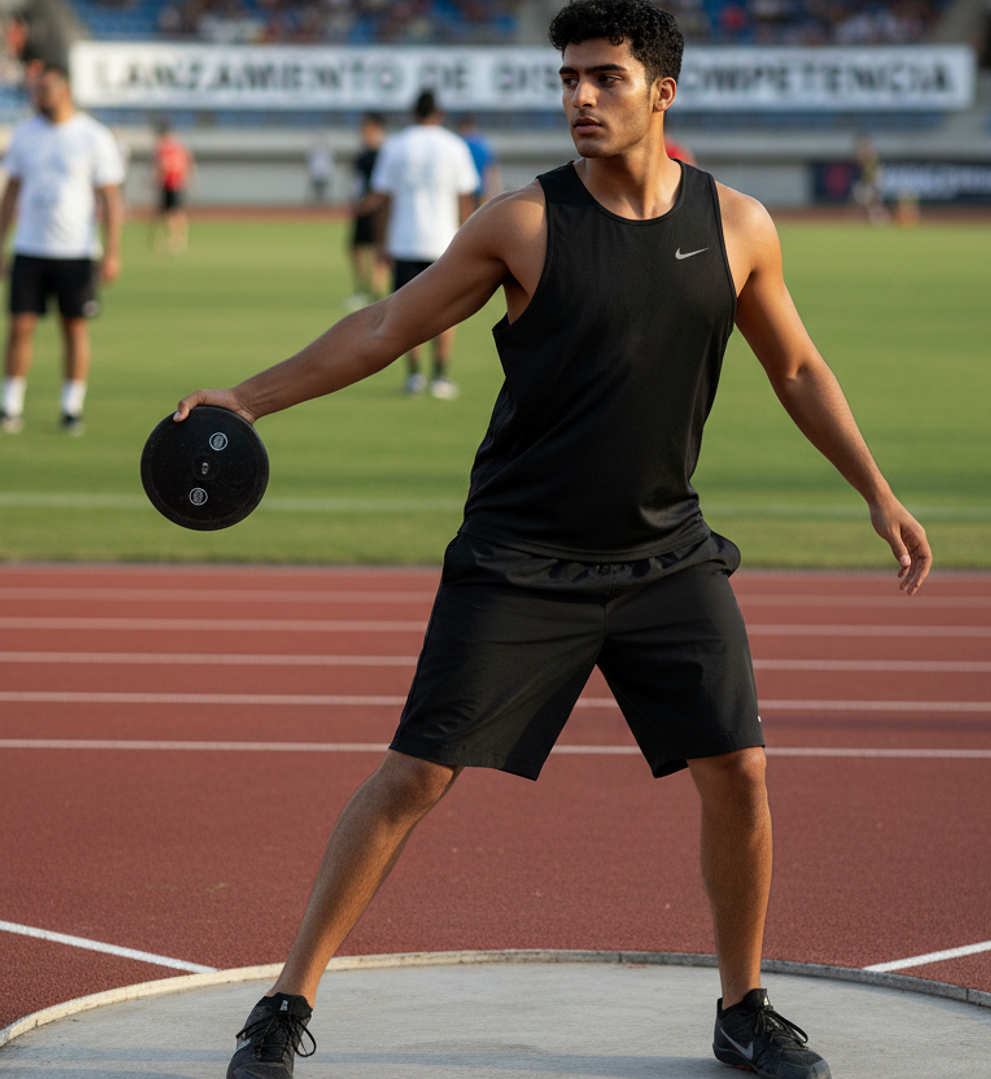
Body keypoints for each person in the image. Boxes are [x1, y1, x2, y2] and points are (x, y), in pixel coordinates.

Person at [174, 2, 932, 1077]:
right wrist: (244, 399)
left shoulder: (739, 225)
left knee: (741, 767)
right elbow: (389, 326)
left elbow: (797, 368)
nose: (578, 96)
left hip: (666, 552)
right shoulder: (520, 222)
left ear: (660, 91)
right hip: (519, 558)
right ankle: (283, 1005)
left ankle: (742, 1006)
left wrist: (875, 489)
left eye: (603, 78)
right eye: (567, 78)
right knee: (412, 776)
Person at [0, 61, 124, 435]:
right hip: (30, 247)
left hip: (76, 250)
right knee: (20, 326)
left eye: (45, 90)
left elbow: (112, 198)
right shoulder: (24, 134)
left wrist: (113, 251)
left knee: (74, 329)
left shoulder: (92, 136)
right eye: (36, 91)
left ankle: (71, 406)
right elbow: (12, 190)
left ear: (64, 91)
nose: (38, 97)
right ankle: (10, 406)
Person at [367, 89, 478, 398]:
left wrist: (380, 242)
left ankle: (414, 377)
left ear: (412, 114)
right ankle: (441, 376)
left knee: (406, 314)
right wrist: (469, 240)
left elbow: (383, 199)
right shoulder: (455, 146)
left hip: (404, 240)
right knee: (446, 312)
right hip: (445, 243)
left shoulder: (395, 145)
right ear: (439, 114)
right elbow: (465, 199)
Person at [345, 113, 389, 310]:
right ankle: (362, 289)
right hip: (362, 206)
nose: (365, 133)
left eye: (368, 129)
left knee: (379, 249)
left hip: (379, 208)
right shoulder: (362, 155)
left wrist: (373, 202)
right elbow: (355, 180)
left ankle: (376, 293)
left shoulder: (385, 154)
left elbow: (387, 185)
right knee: (355, 247)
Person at [152, 122, 194, 254]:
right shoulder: (180, 146)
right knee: (178, 211)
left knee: (170, 212)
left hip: (169, 182)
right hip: (178, 182)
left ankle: (173, 239)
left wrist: (156, 180)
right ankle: (179, 238)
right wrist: (187, 178)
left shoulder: (163, 148)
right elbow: (189, 163)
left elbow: (162, 166)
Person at [457, 113, 503, 204]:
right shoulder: (482, 144)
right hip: (482, 190)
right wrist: (496, 191)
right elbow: (491, 169)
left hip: (464, 192)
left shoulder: (459, 144)